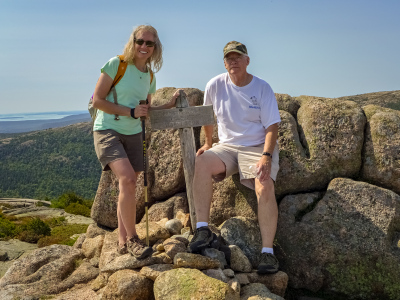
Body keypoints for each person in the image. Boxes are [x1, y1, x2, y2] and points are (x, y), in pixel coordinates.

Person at [188, 41, 281, 274]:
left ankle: (268, 253)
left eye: (238, 57)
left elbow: (272, 126)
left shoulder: (261, 88)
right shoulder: (215, 84)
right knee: (201, 162)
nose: (233, 61)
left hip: (257, 147)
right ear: (224, 63)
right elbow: (207, 116)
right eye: (229, 58)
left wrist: (267, 156)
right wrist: (208, 143)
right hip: (227, 146)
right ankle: (202, 229)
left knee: (264, 184)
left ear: (247, 60)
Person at [92, 25, 181, 259]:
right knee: (128, 179)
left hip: (133, 133)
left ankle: (122, 241)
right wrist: (130, 112)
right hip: (107, 129)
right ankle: (133, 239)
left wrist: (167, 106)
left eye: (149, 43)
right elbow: (98, 100)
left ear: (155, 47)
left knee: (128, 186)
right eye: (140, 41)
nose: (144, 46)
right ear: (133, 42)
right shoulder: (116, 64)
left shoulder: (150, 76)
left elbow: (145, 110)